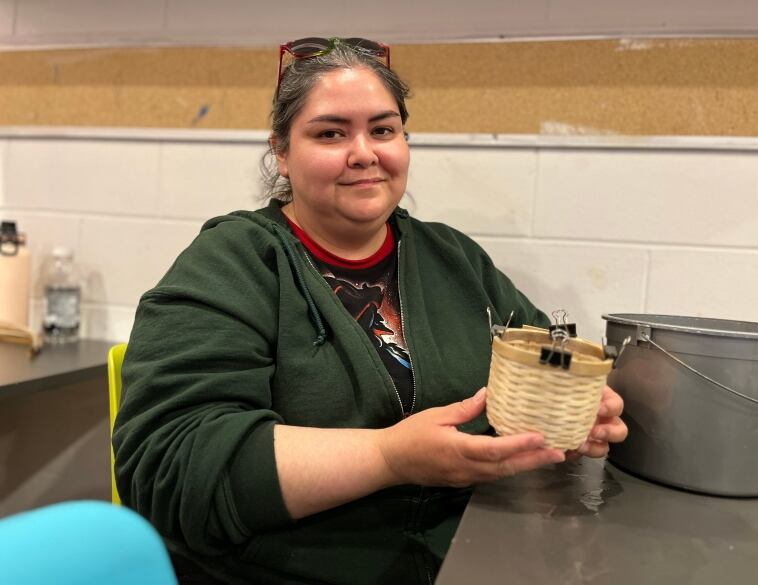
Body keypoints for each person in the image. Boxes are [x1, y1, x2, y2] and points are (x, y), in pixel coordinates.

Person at [113, 37, 627, 585]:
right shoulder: (234, 262)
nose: (365, 152)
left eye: (383, 130)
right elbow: (170, 467)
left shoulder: (452, 258)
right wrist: (388, 457)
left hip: (474, 558)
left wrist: (576, 408)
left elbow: (545, 357)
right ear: (281, 152)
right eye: (331, 132)